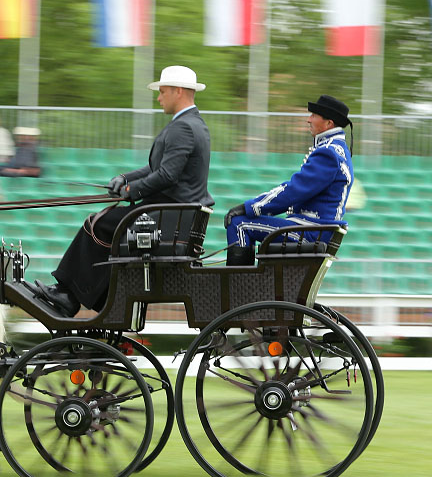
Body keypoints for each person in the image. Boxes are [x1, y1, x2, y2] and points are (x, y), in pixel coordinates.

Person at [30, 65, 213, 317]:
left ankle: (70, 295)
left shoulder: (182, 127)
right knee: (105, 225)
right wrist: (124, 178)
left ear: (178, 91)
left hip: (167, 218)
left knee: (96, 224)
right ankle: (90, 295)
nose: (159, 98)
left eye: (162, 92)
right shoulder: (195, 124)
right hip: (172, 215)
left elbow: (167, 175)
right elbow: (155, 167)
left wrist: (131, 190)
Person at [224, 94, 354, 266]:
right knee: (244, 221)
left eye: (314, 116)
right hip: (312, 229)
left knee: (238, 224)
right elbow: (295, 188)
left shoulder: (328, 152)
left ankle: (238, 288)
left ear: (329, 123)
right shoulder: (335, 149)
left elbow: (294, 190)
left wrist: (250, 207)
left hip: (310, 232)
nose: (309, 120)